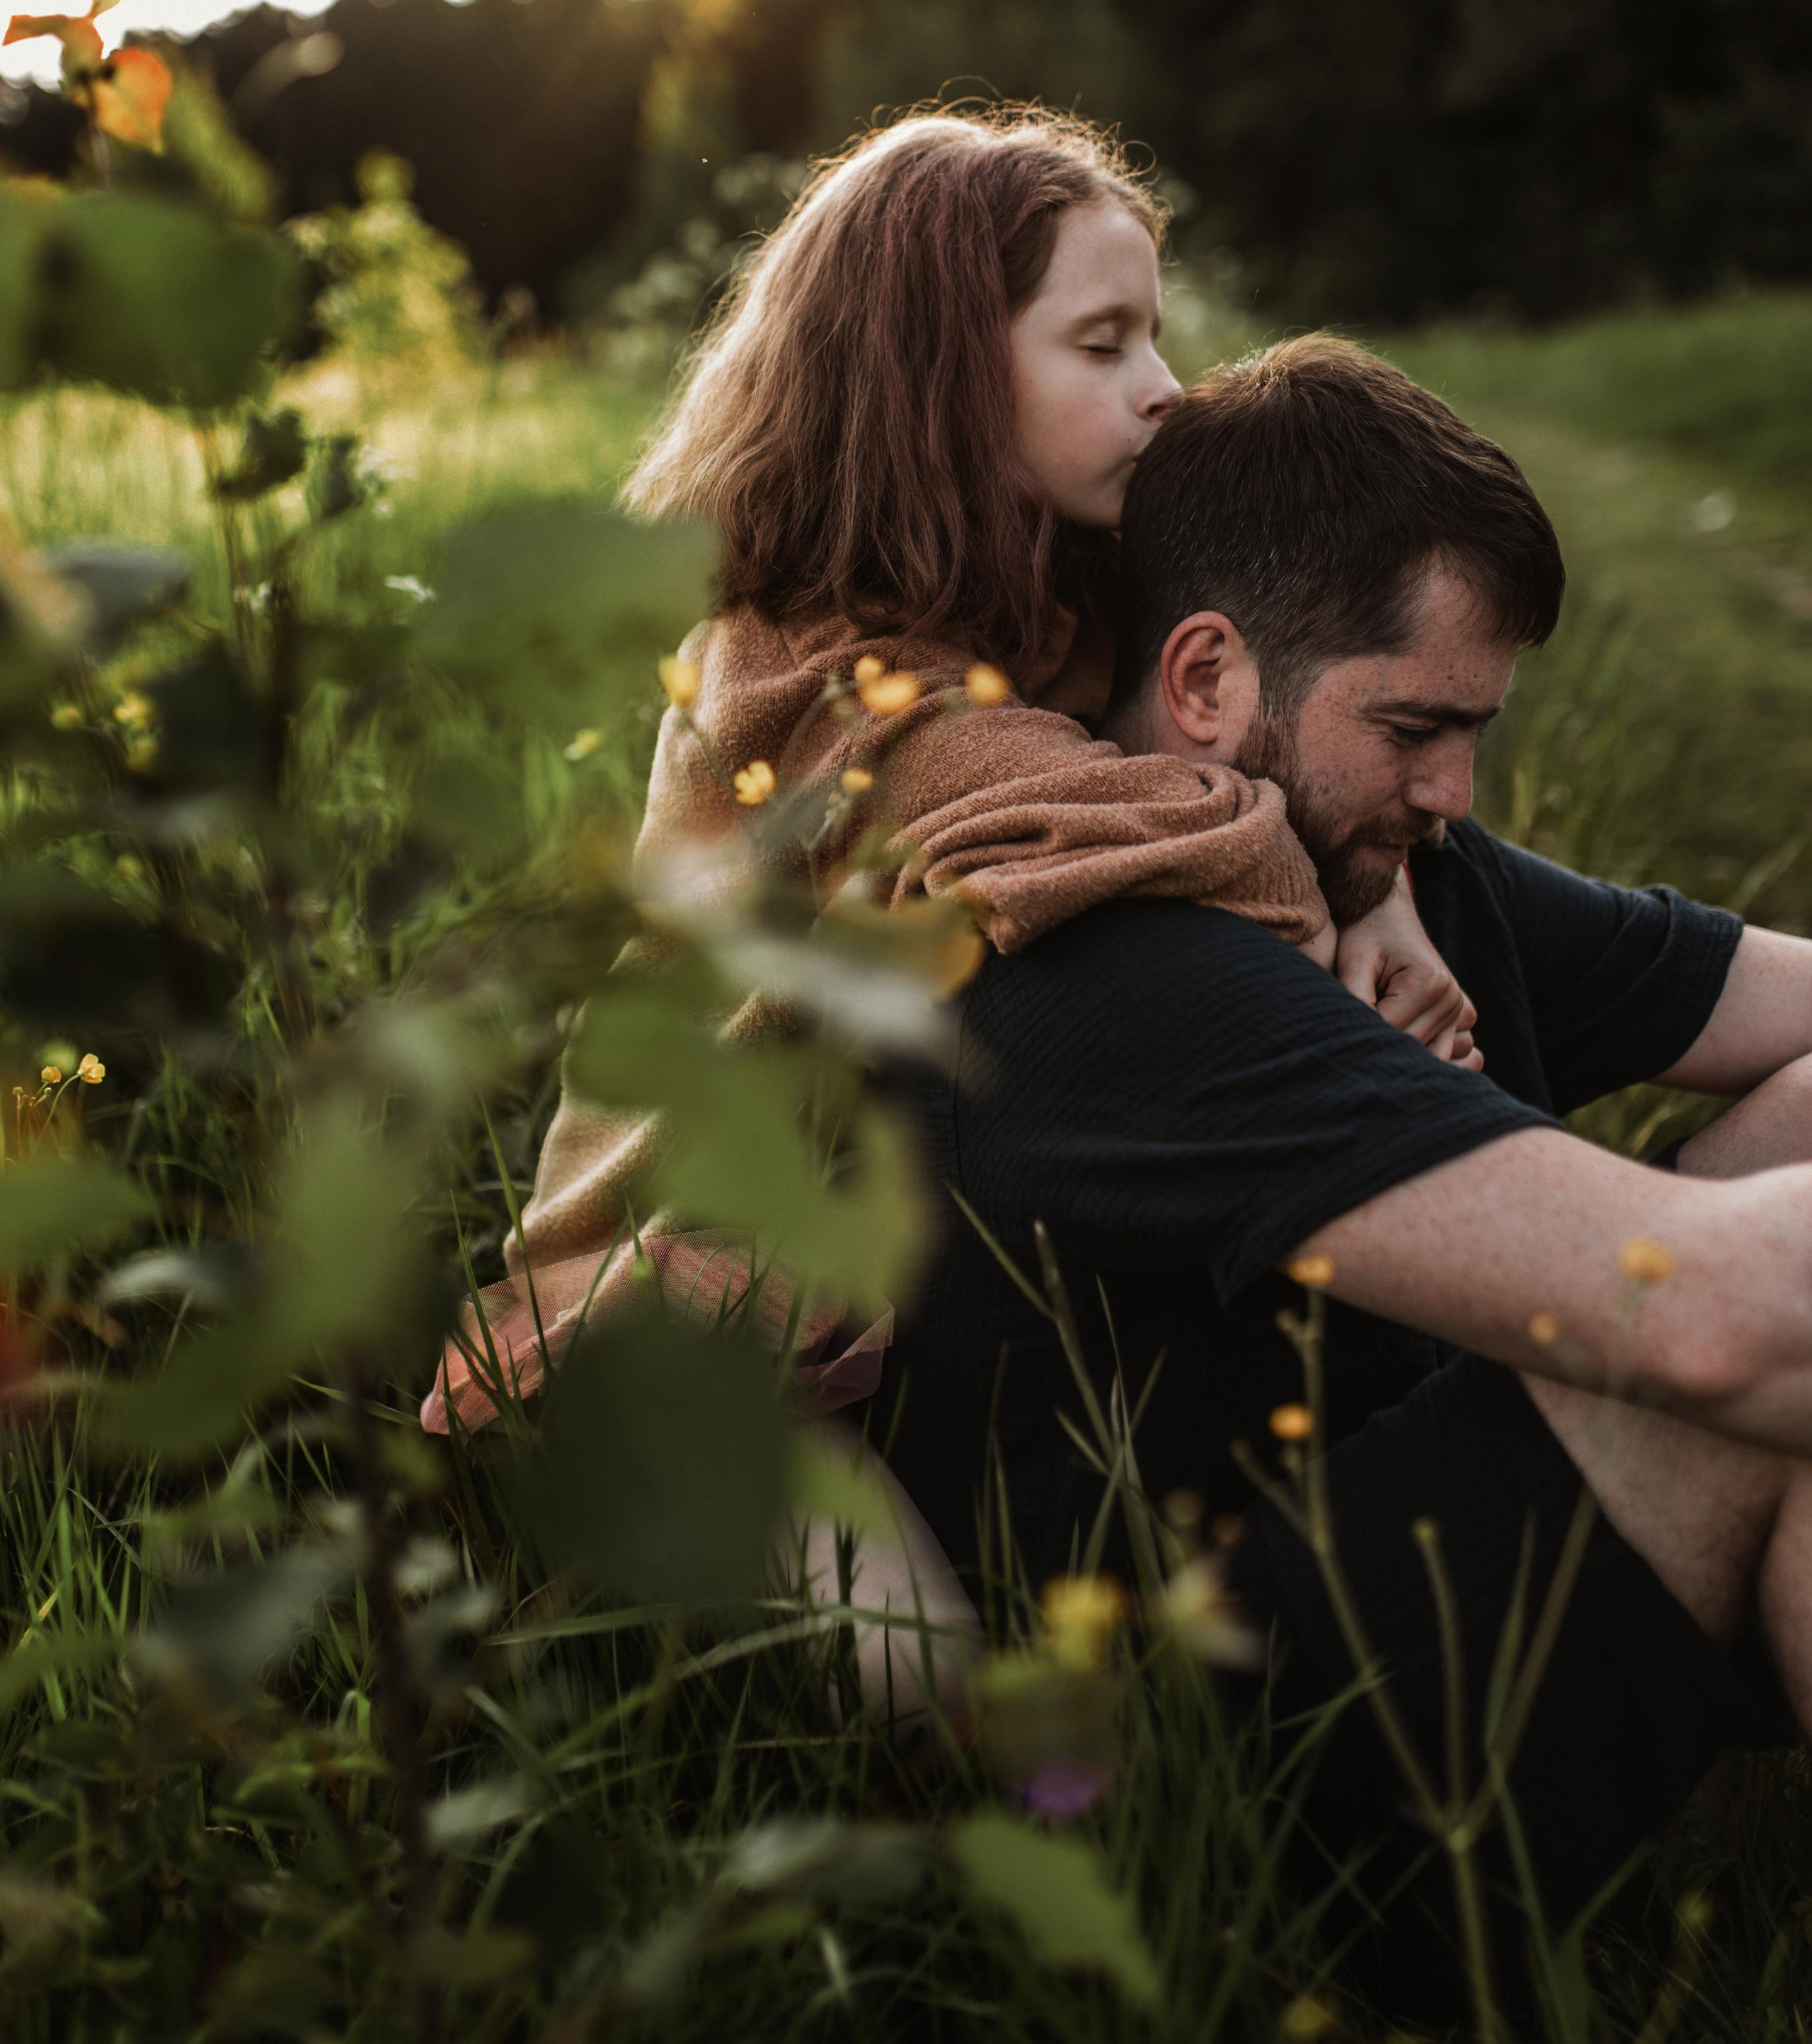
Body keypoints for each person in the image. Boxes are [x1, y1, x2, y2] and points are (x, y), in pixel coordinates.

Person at [878, 332, 1812, 1997]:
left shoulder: (1375, 852)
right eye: (1413, 725)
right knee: (1741, 1358)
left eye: (1473, 728)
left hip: (1398, 1544)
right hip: (1213, 1789)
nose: (1455, 788)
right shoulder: (1115, 975)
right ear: (1208, 678)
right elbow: (1709, 1320)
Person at [425, 113, 1470, 1438]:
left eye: (1154, 336)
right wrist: (1335, 901)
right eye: (1103, 345)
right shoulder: (795, 668)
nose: (1166, 386)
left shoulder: (1063, 594)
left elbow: (1285, 752)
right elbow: (1162, 833)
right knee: (902, 1654)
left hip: (897, 1246)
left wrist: (1389, 895)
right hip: (681, 1294)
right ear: (938, 379)